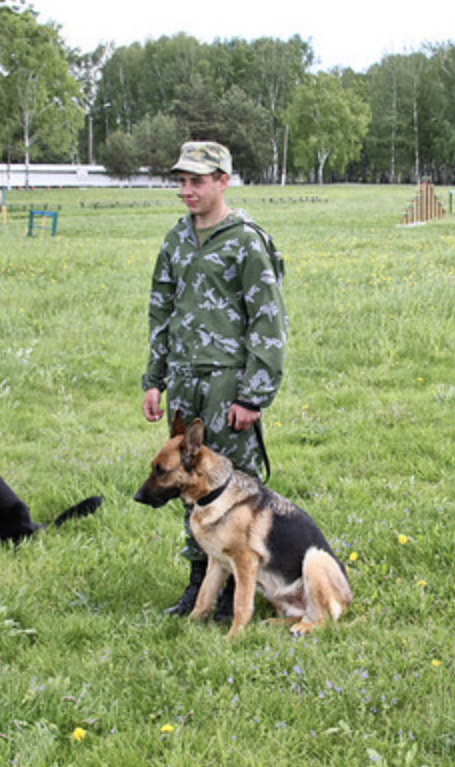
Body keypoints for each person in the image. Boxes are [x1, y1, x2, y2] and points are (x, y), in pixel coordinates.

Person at [141, 140, 287, 616]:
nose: (187, 190)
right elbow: (161, 310)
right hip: (185, 384)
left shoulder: (246, 240)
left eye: (197, 181)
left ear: (223, 181)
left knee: (233, 489)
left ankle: (236, 588)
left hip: (229, 386)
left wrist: (253, 394)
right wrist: (154, 379)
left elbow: (268, 320)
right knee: (188, 483)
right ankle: (199, 583)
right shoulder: (176, 239)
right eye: (182, 181)